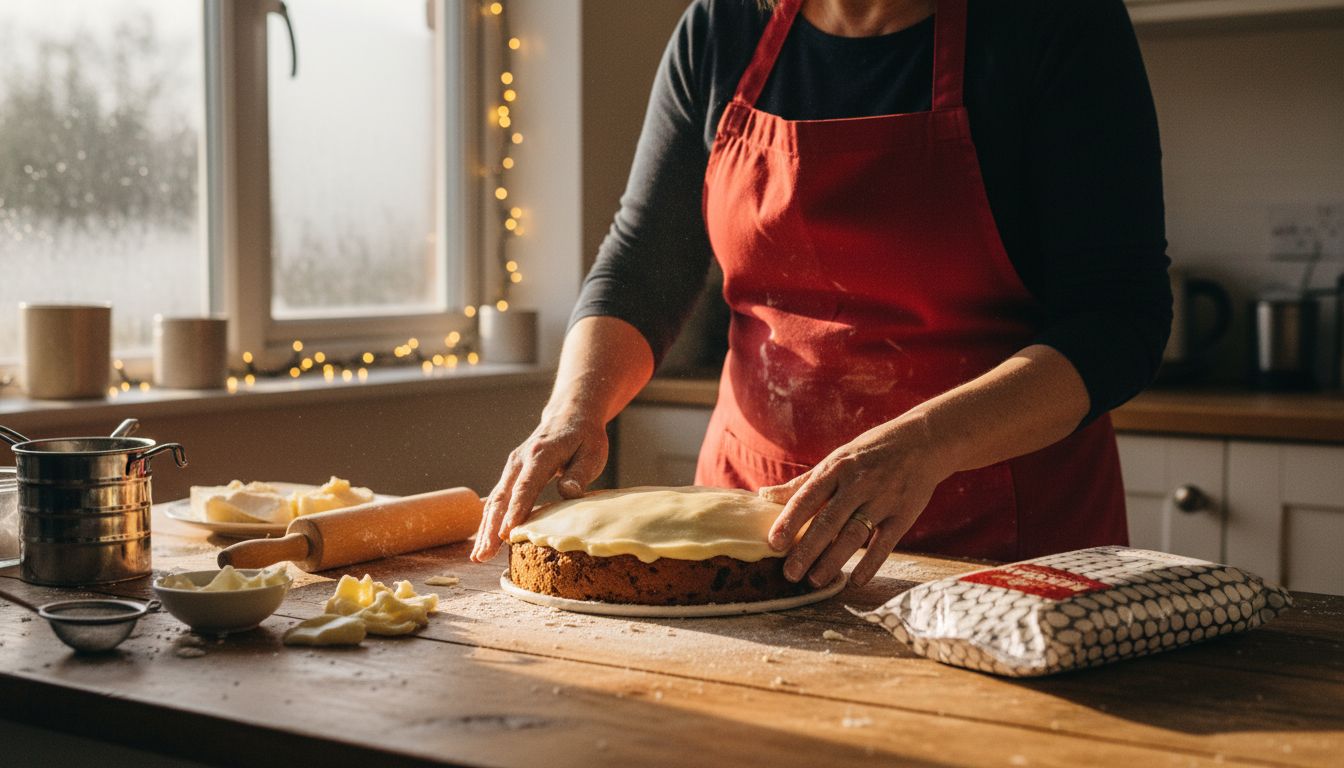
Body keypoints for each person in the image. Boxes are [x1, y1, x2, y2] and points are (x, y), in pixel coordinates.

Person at [471, 0, 1171, 592]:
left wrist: (924, 445)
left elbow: (1118, 316)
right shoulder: (722, 27)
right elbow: (642, 265)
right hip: (749, 528)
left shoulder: (1055, 22)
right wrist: (575, 410)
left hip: (1001, 534)